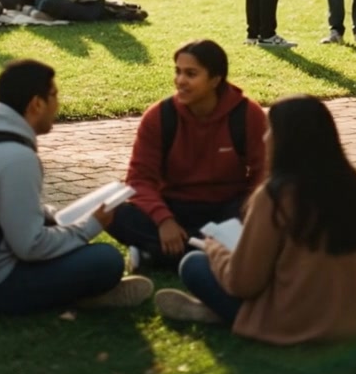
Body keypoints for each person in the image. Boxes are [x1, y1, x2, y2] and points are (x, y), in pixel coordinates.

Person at [155, 95, 356, 342]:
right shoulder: (352, 183)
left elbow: (244, 283)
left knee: (193, 263)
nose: (264, 138)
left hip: (297, 322)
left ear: (286, 140)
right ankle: (218, 312)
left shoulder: (275, 196)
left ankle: (221, 314)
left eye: (269, 131)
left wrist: (216, 250)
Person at [0, 59, 154, 314]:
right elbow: (30, 246)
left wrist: (49, 215)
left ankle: (77, 291)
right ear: (36, 104)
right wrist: (90, 226)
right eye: (54, 95)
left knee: (64, 234)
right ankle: (81, 297)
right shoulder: (16, 158)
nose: (58, 105)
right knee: (106, 260)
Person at [109, 40, 267, 269]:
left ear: (215, 79)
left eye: (191, 74)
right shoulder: (160, 116)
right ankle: (218, 252)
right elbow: (139, 179)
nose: (180, 81)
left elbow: (264, 173)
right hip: (174, 206)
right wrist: (163, 219)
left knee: (272, 213)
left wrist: (248, 213)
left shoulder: (246, 114)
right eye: (178, 72)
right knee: (111, 211)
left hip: (228, 208)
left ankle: (155, 255)